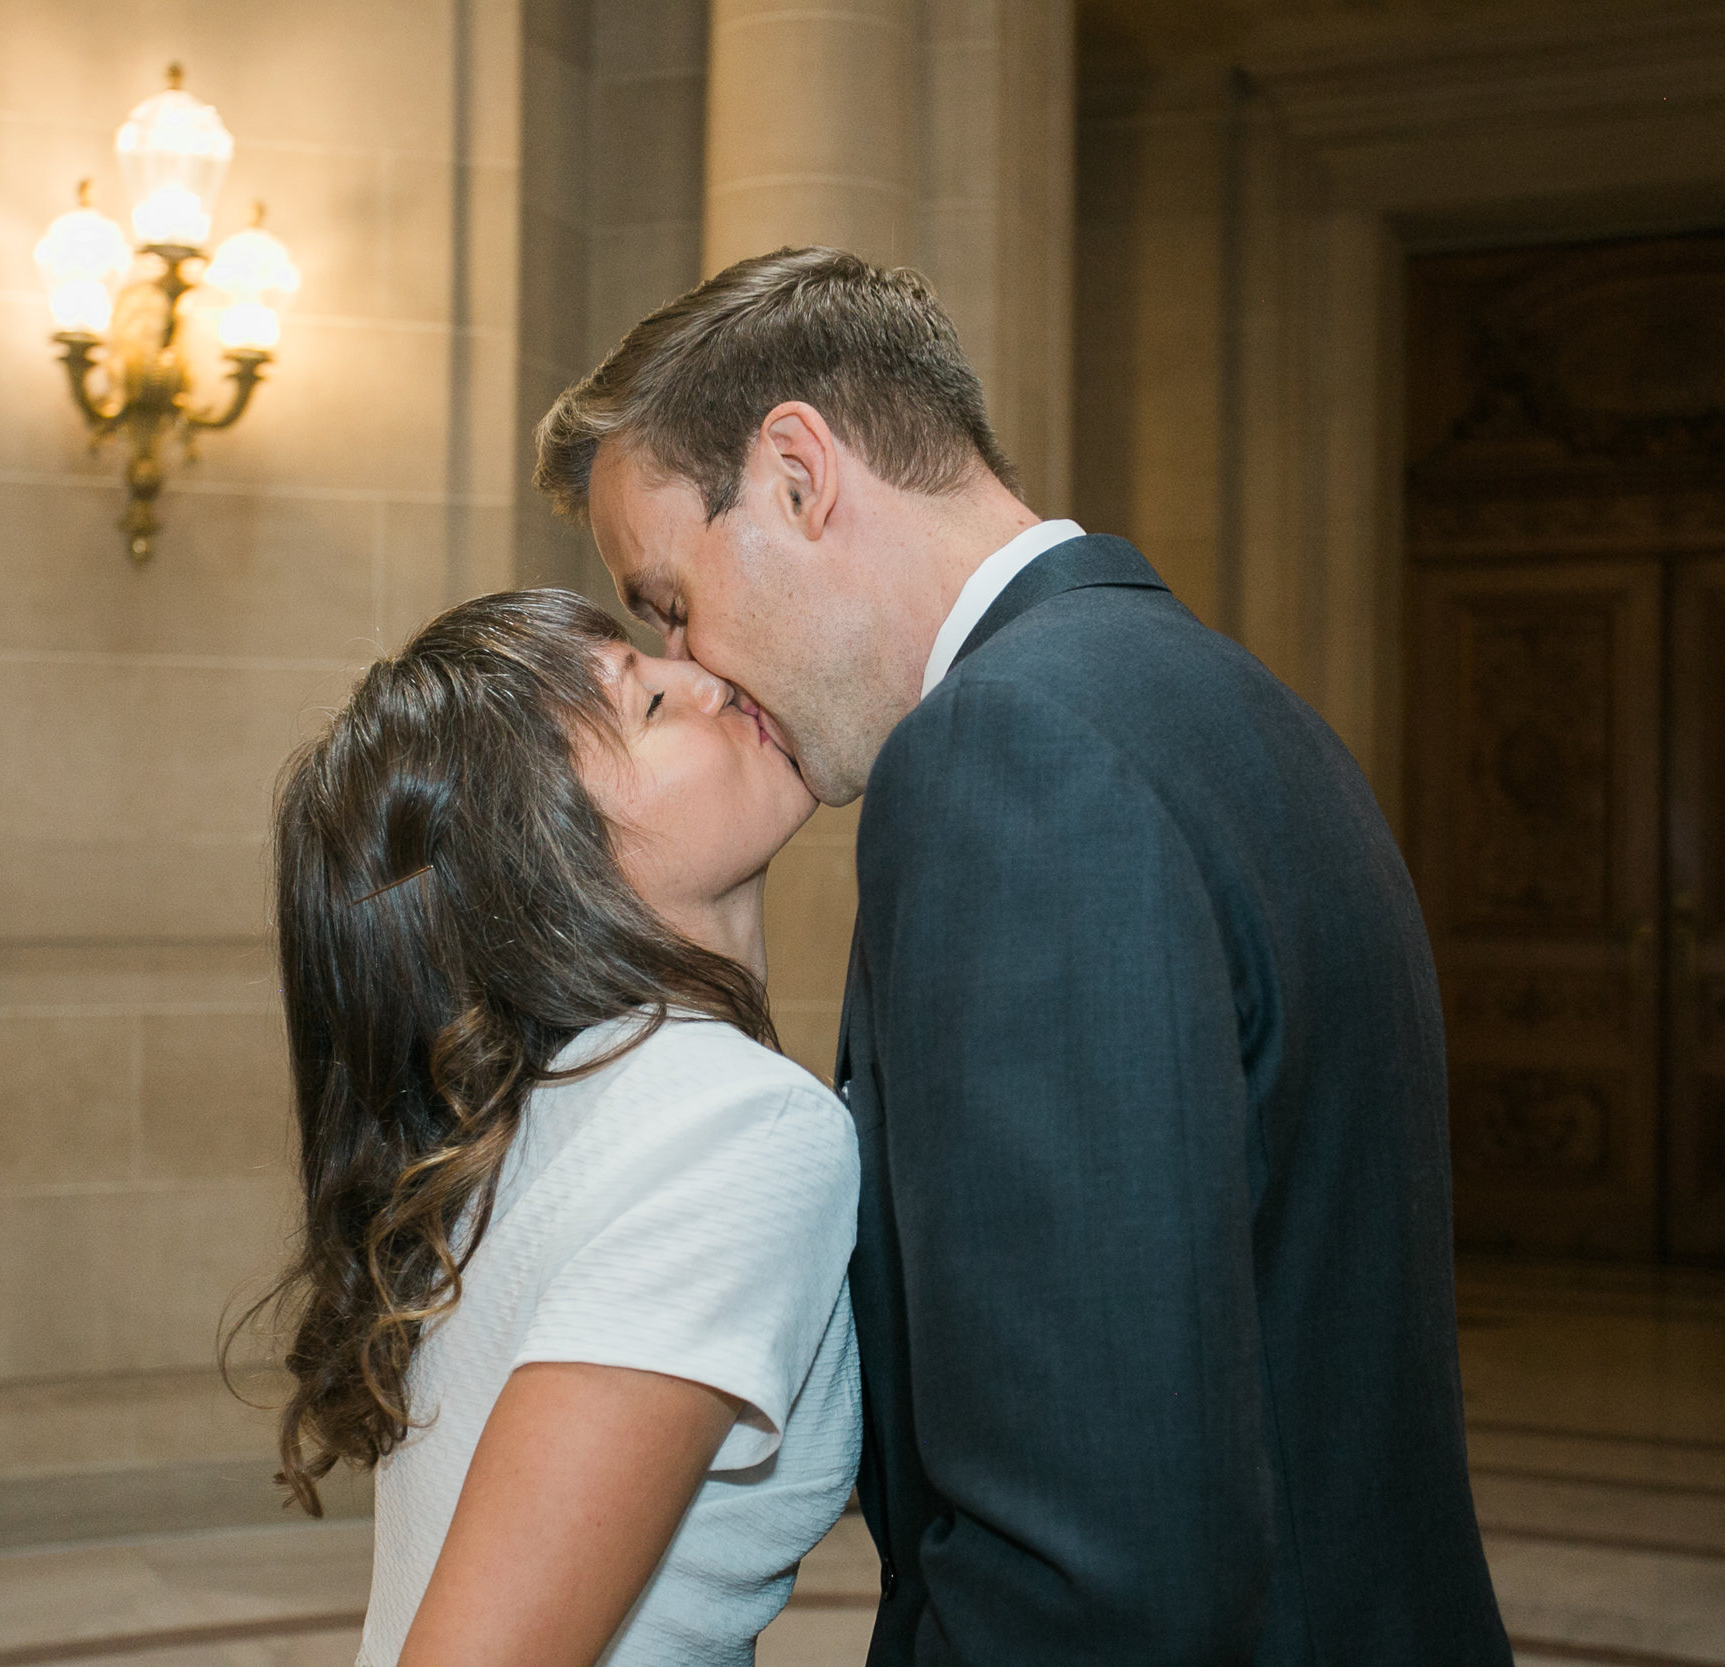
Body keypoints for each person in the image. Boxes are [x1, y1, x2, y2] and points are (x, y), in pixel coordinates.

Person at [533, 246, 1513, 1664]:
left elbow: (1093, 1568)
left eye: (669, 599)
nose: (697, 668)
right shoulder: (1234, 703)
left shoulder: (1008, 754)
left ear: (799, 475)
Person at [252, 589, 860, 1667]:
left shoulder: (546, 1102)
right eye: (651, 703)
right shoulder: (731, 1127)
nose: (714, 675)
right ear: (554, 857)